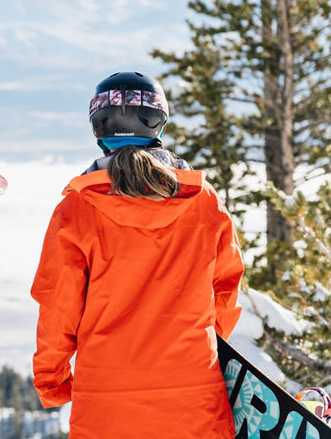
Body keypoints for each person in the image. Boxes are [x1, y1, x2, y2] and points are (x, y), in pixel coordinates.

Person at [30, 72, 243, 438]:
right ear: (159, 122)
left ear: (99, 127)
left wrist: (53, 380)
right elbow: (226, 286)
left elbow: (58, 303)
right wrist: (199, 341)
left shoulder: (77, 209)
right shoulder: (203, 200)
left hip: (106, 400)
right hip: (192, 391)